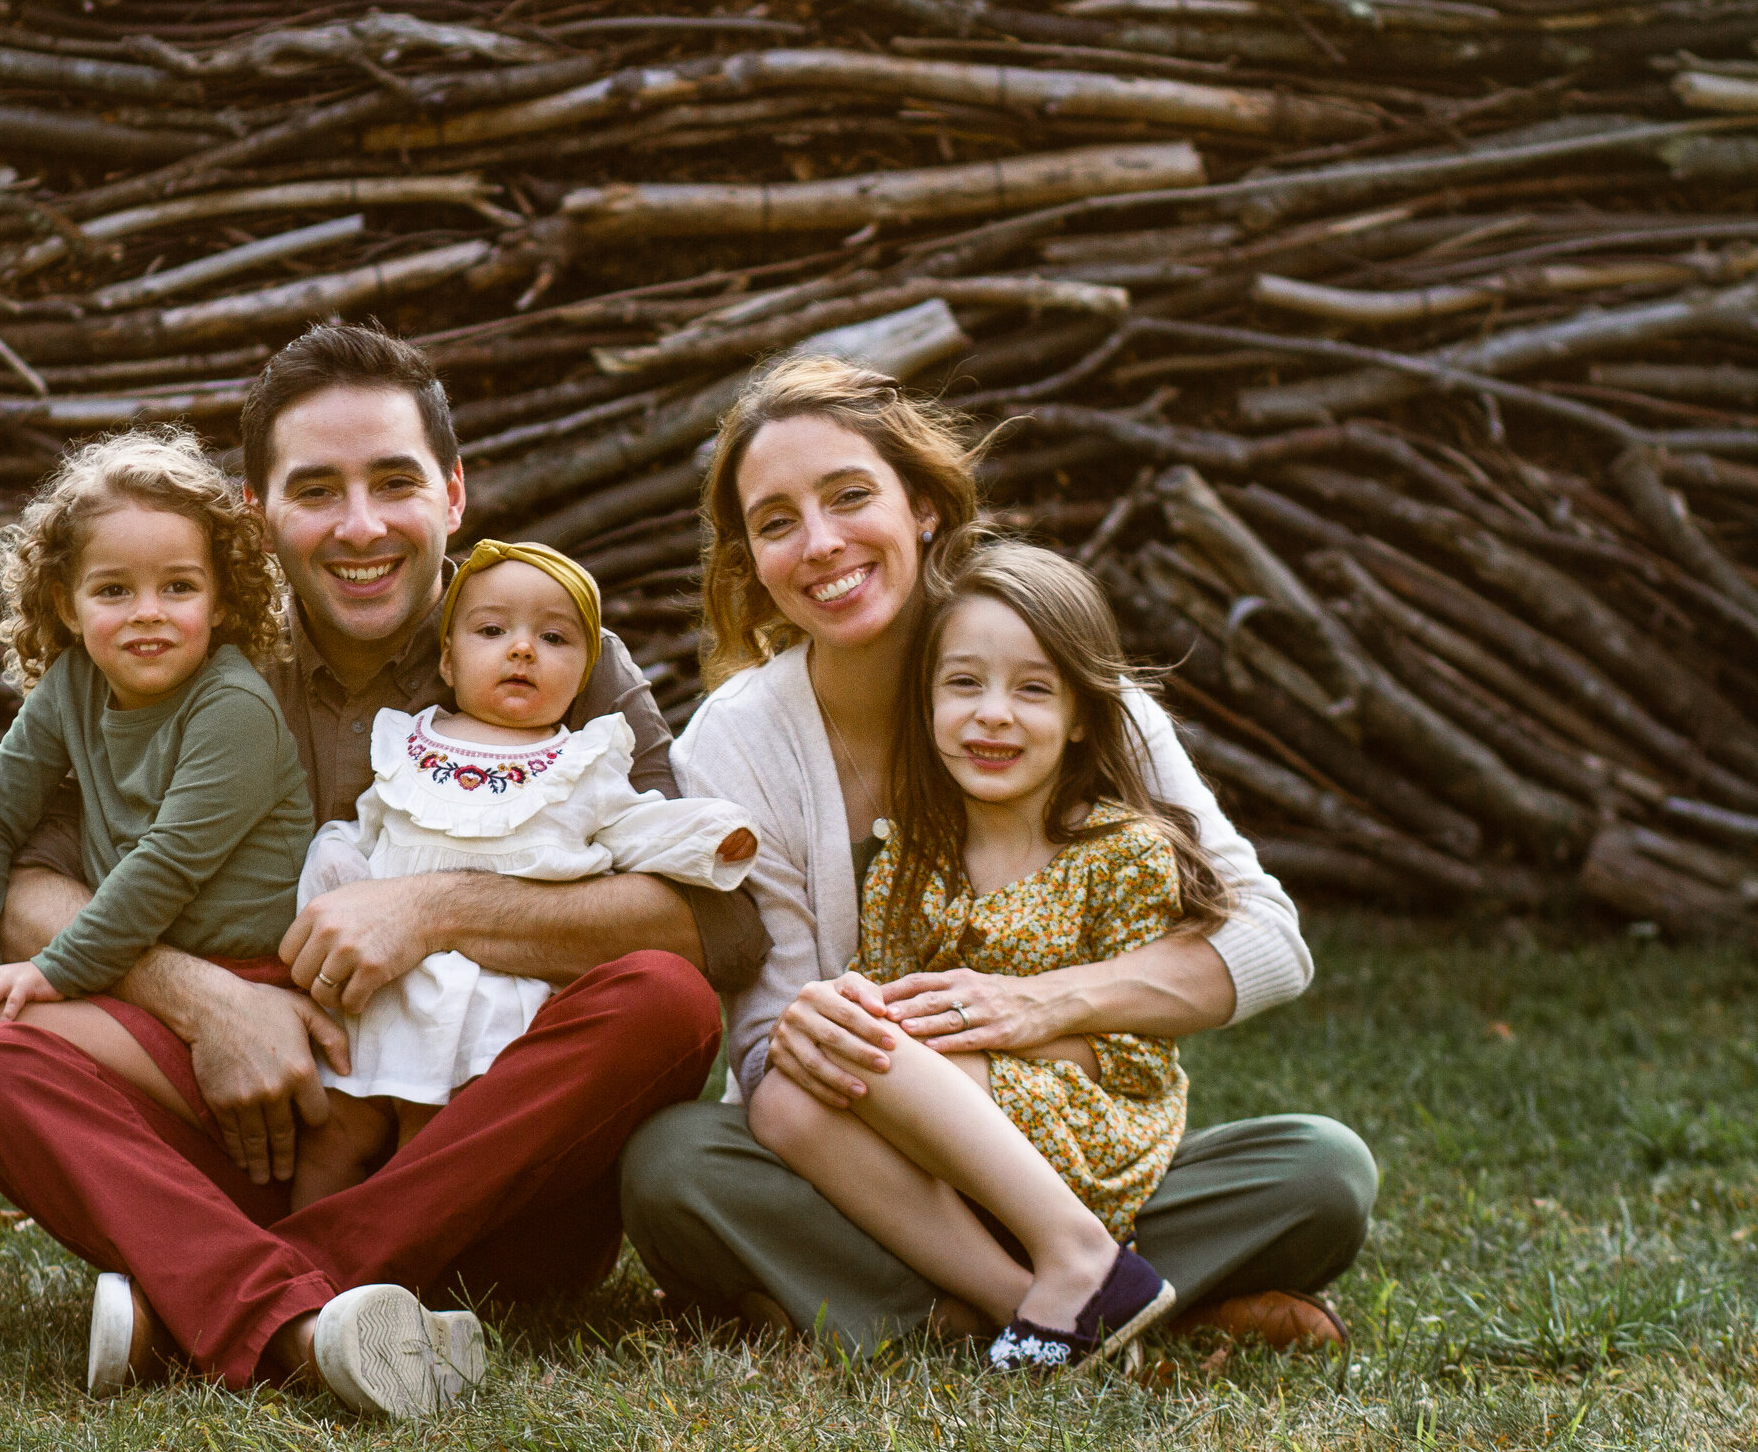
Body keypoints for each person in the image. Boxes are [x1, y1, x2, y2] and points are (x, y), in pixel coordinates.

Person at [0, 323, 765, 1411]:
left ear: (454, 493)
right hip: (264, 1124)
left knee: (662, 1000)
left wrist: (432, 908)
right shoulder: (194, 655)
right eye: (316, 488)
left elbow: (717, 929)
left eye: (394, 481)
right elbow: (28, 887)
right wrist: (206, 1001)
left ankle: (242, 1296)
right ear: (255, 512)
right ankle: (316, 1321)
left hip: (490, 1159)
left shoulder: (542, 640)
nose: (360, 524)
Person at [0, 429, 481, 1417]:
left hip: (250, 1000)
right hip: (139, 984)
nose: (147, 613)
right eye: (113, 590)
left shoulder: (235, 708)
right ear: (64, 605)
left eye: (177, 587)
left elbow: (160, 872)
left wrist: (50, 972)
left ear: (224, 599)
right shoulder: (73, 687)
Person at [621, 354, 1378, 1359]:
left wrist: (1042, 1005)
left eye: (850, 496)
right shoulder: (738, 738)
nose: (821, 542)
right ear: (750, 560)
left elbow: (1268, 941)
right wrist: (841, 1031)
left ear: (925, 505)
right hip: (873, 1165)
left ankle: (934, 1313)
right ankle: (1071, 1303)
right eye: (775, 521)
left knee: (1321, 1170)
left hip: (1066, 1140)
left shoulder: (1060, 685)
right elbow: (773, 1054)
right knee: (673, 1165)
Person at [749, 540, 1231, 1370]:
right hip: (941, 1126)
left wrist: (966, 1039)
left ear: (1082, 713)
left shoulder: (1124, 853)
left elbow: (1136, 1056)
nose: (993, 714)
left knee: (1319, 1168)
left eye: (1033, 689)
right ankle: (1029, 1302)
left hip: (1095, 1123)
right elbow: (887, 1022)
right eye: (964, 683)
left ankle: (1080, 1251)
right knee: (782, 1100)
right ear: (928, 702)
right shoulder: (910, 859)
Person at [291, 541, 757, 1207]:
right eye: (492, 630)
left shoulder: (582, 765)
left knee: (433, 1145)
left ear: (584, 674)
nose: (521, 649)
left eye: (554, 637)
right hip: (382, 994)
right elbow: (361, 830)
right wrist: (332, 878)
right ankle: (298, 1256)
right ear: (448, 661)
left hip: (483, 1008)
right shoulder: (408, 743)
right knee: (333, 1135)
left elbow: (640, 828)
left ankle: (381, 1273)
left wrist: (713, 839)